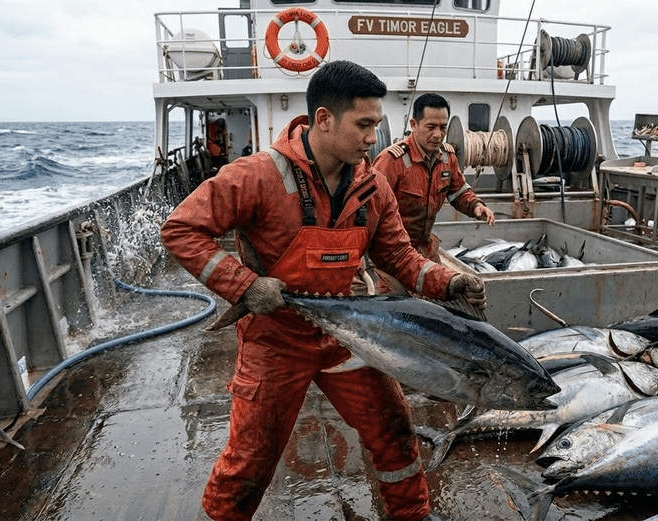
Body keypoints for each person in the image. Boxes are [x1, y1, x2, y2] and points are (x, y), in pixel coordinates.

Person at [160, 60, 484, 521]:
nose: (374, 137)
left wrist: (449, 280)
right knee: (248, 463)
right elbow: (181, 229)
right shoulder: (257, 176)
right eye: (365, 124)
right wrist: (245, 286)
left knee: (394, 433)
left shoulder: (373, 187)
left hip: (345, 338)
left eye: (377, 124)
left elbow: (400, 259)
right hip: (275, 341)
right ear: (325, 119)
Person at [372, 93, 495, 263]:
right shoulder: (391, 161)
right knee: (395, 290)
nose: (438, 134)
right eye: (431, 127)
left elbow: (458, 191)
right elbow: (369, 211)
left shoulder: (447, 157)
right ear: (414, 125)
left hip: (425, 248)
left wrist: (475, 206)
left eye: (443, 127)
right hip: (392, 254)